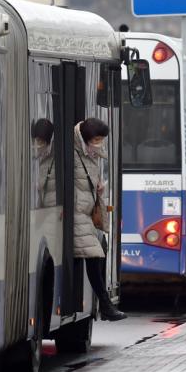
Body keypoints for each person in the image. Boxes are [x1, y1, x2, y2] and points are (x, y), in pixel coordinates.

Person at [73, 117, 126, 321]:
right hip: (76, 214)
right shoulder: (73, 150)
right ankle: (105, 305)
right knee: (95, 256)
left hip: (85, 212)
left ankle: (104, 305)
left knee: (100, 252)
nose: (99, 143)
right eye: (96, 139)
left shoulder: (90, 152)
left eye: (101, 139)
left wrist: (99, 185)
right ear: (86, 137)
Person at [31, 118, 57, 208]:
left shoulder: (55, 160)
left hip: (55, 213)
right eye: (35, 140)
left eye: (40, 141)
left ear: (48, 141)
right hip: (45, 213)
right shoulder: (42, 160)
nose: (36, 145)